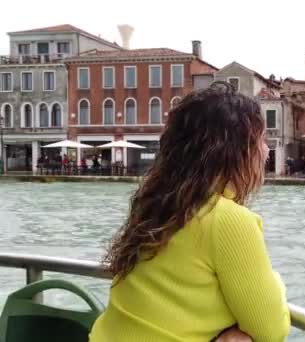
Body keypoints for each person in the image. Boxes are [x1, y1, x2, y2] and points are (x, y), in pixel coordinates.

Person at [89, 81, 290, 342]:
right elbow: (271, 330)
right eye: (261, 140)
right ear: (235, 152)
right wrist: (277, 283)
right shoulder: (228, 220)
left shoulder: (156, 203)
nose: (266, 151)